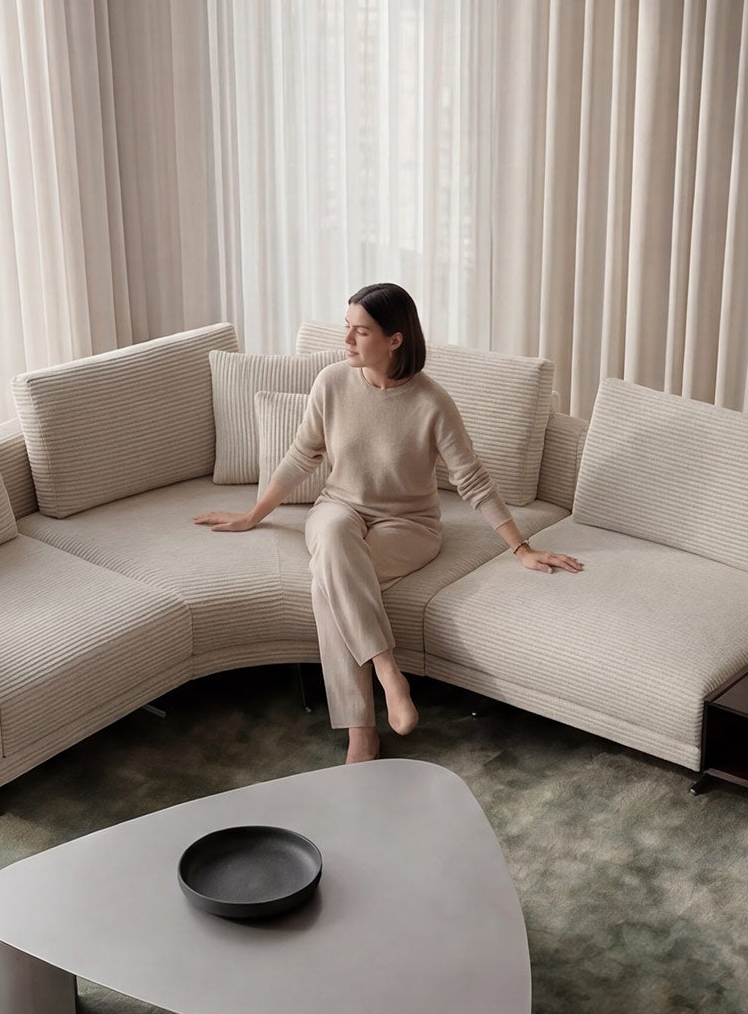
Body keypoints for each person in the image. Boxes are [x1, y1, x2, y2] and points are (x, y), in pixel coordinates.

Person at [194, 283, 582, 762]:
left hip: (410, 525)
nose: (347, 341)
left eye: (361, 332)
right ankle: (387, 673)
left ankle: (361, 730)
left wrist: (521, 548)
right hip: (337, 509)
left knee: (328, 580)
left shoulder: (431, 402)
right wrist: (253, 515)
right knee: (334, 538)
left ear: (395, 340)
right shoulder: (331, 383)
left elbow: (473, 481)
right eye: (347, 328)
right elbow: (301, 458)